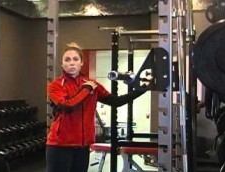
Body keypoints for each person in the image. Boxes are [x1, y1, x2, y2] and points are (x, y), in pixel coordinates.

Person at [46, 42, 151, 172]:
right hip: (60, 145)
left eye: (75, 59)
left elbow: (115, 101)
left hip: (82, 146)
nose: (71, 63)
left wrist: (142, 90)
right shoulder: (56, 85)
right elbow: (68, 106)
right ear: (62, 64)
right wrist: (86, 89)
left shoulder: (92, 85)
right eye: (67, 60)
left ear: (81, 63)